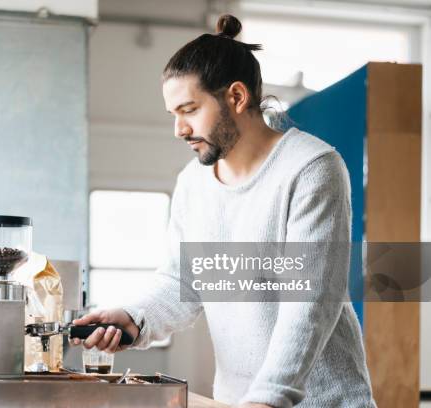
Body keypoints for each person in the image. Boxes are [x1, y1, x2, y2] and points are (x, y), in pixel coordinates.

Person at [72, 14, 376, 408]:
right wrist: (134, 318)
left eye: (189, 109)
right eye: (173, 115)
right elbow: (184, 282)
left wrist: (266, 399)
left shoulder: (311, 167)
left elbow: (312, 301)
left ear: (236, 97)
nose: (179, 129)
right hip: (239, 401)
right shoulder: (193, 183)